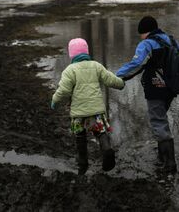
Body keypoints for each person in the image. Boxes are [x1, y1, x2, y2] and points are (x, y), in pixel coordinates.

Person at [51, 38, 125, 175]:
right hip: (95, 111)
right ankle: (107, 149)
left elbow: (64, 90)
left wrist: (55, 100)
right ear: (86, 52)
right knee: (100, 132)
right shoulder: (96, 66)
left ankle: (83, 163)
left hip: (78, 113)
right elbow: (110, 79)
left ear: (71, 54)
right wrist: (121, 84)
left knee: (80, 137)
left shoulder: (69, 70)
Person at [116, 16, 179, 173]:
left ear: (145, 31)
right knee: (161, 118)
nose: (140, 37)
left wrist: (117, 74)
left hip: (156, 88)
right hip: (171, 88)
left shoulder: (146, 43)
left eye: (141, 34)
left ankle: (170, 163)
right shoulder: (171, 39)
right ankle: (161, 157)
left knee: (158, 121)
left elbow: (136, 63)